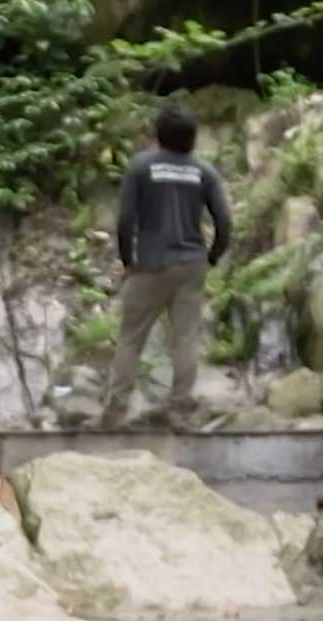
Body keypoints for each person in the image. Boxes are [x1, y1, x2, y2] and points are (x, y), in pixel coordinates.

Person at [102, 103, 233, 431]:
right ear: (192, 137)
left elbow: (126, 220)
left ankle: (115, 413)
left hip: (149, 264)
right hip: (191, 265)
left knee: (131, 339)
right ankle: (179, 409)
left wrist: (128, 260)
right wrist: (212, 256)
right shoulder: (204, 171)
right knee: (186, 338)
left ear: (158, 134)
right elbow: (225, 222)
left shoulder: (140, 167)